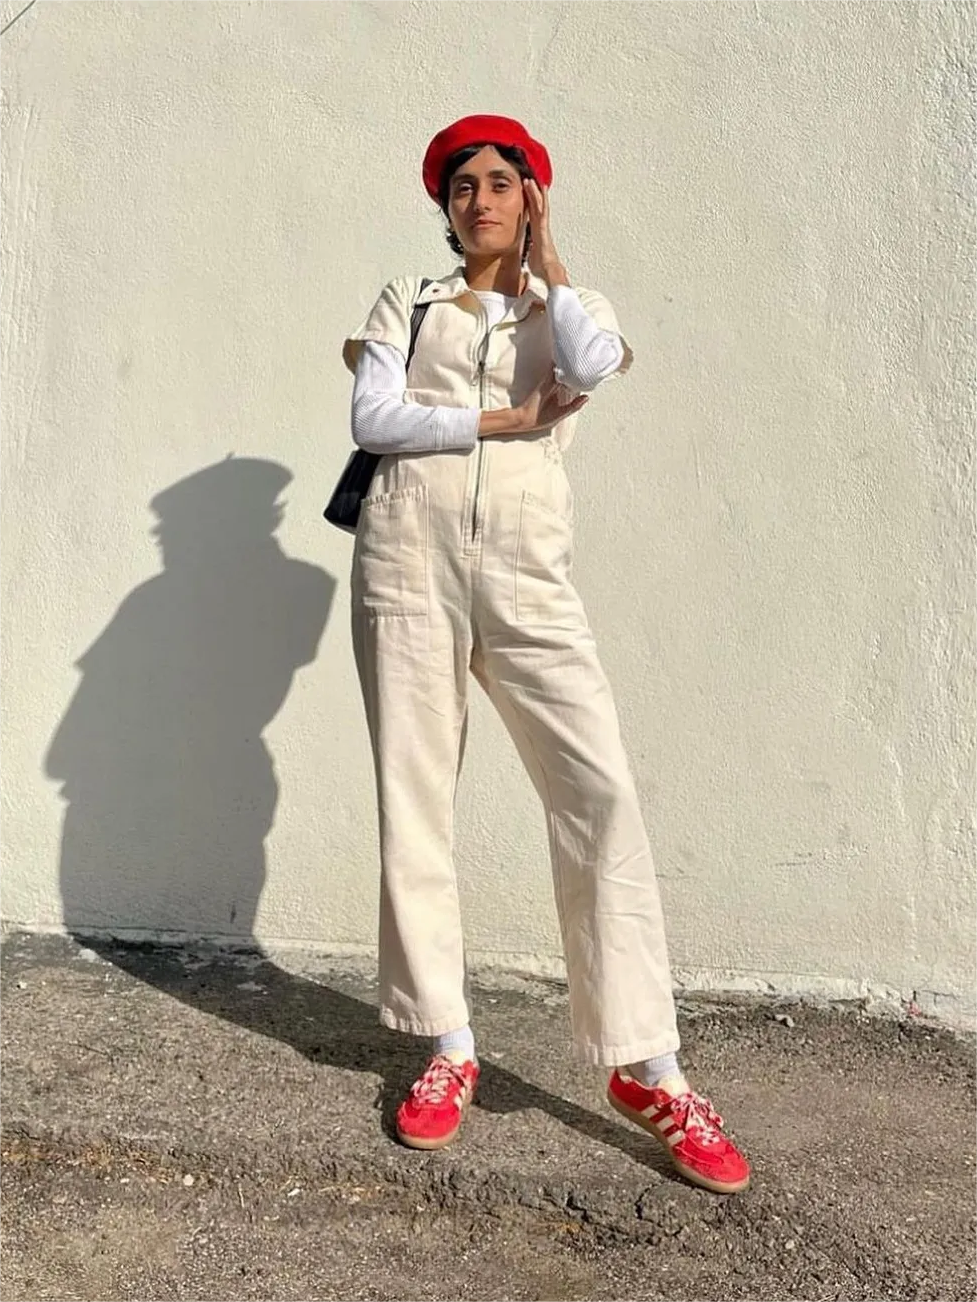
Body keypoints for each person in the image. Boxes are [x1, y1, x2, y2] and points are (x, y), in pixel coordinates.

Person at [341, 115, 750, 1195]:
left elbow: (593, 365)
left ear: (530, 198)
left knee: (597, 793)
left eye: (500, 182)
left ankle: (648, 1068)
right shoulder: (408, 300)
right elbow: (374, 417)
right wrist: (502, 421)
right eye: (461, 186)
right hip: (406, 561)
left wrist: (551, 265)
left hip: (528, 571)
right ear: (444, 206)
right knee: (414, 797)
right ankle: (447, 1045)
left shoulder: (571, 309)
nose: (478, 199)